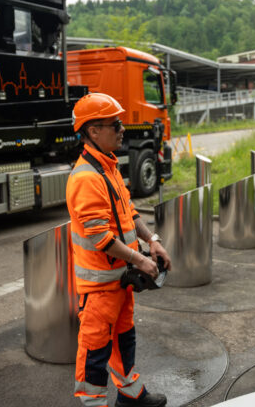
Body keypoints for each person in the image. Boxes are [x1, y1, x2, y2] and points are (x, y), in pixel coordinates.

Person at [66, 93, 172, 407]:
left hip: (119, 279)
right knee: (95, 350)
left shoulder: (107, 166)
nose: (122, 128)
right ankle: (92, 403)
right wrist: (140, 260)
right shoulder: (86, 177)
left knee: (123, 339)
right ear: (93, 131)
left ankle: (129, 394)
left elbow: (130, 212)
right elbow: (100, 238)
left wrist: (152, 241)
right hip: (99, 285)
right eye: (115, 124)